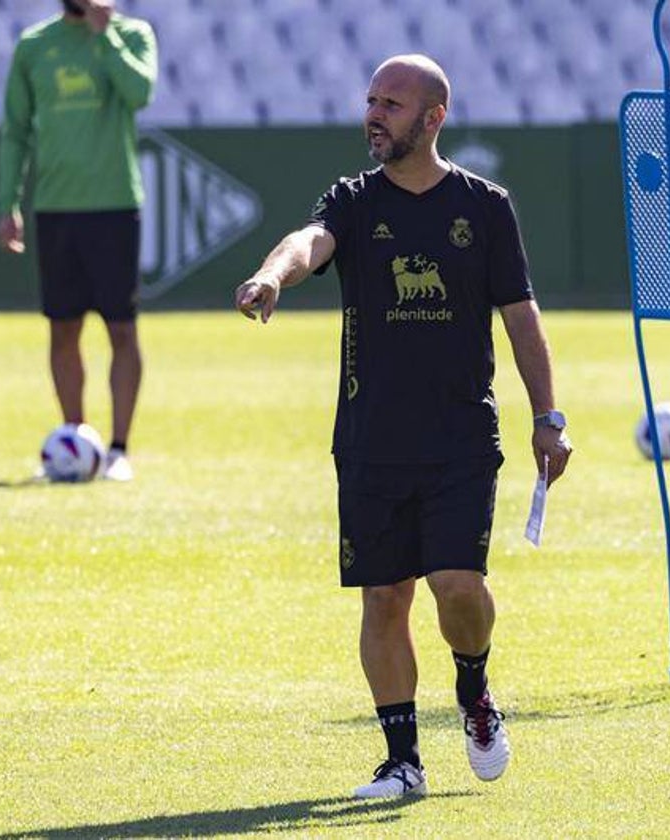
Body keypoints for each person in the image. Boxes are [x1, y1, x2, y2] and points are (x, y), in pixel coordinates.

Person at [234, 54, 573, 799]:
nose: (375, 114)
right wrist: (271, 276)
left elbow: (521, 316)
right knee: (384, 598)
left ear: (433, 118)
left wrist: (548, 416)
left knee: (457, 587)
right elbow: (306, 241)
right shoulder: (353, 201)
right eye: (371, 100)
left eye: (391, 103)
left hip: (459, 437)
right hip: (369, 438)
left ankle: (474, 687)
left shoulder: (485, 207)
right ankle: (402, 760)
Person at [0, 0, 158, 481]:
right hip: (56, 208)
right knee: (62, 328)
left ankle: (119, 449)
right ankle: (74, 439)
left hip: (113, 204)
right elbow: (16, 130)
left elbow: (139, 93)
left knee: (121, 329)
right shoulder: (34, 46)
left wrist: (104, 33)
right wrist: (8, 203)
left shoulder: (132, 34)